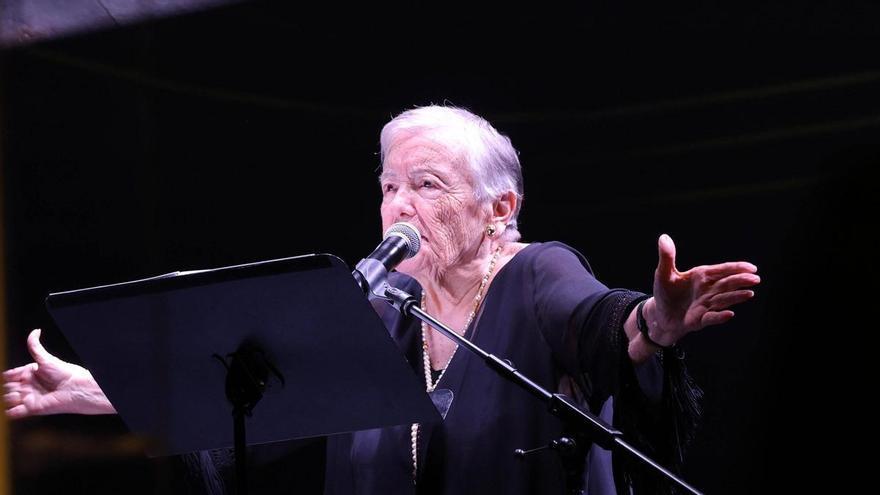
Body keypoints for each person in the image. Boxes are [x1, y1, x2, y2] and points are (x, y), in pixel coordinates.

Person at [3, 105, 760, 494]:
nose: (399, 206)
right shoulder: (382, 305)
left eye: (426, 185)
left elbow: (601, 322)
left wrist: (655, 322)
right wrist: (99, 388)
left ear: (500, 207)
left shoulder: (536, 275)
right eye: (389, 187)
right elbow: (250, 387)